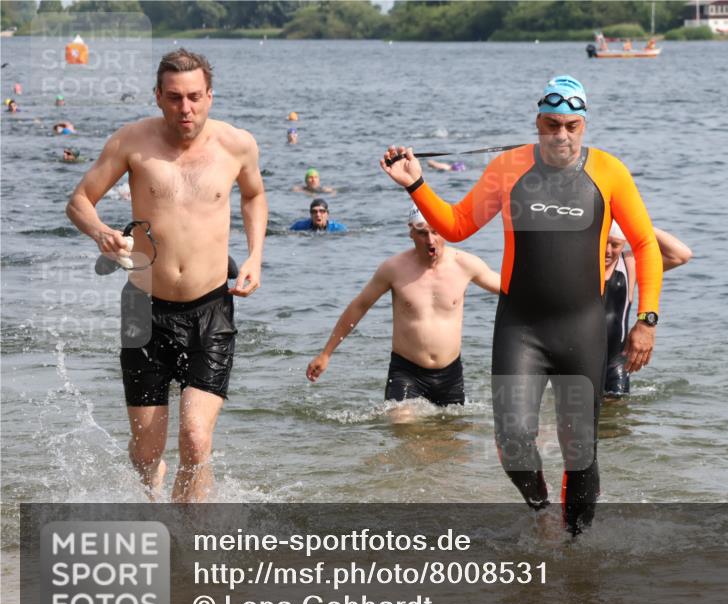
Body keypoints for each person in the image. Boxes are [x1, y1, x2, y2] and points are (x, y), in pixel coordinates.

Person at [381, 75, 662, 534]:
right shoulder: (509, 168)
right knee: (512, 440)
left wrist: (646, 319)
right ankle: (543, 512)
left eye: (572, 125)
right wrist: (416, 185)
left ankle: (578, 548)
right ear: (537, 123)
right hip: (521, 327)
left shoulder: (608, 172)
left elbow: (645, 245)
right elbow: (457, 225)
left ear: (584, 126)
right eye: (552, 124)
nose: (562, 135)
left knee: (580, 450)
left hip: (581, 328)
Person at [65, 48, 267, 503]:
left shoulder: (237, 145)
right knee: (146, 452)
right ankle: (154, 515)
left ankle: (186, 533)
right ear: (158, 96)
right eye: (174, 97)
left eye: (195, 96)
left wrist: (255, 256)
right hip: (142, 308)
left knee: (195, 438)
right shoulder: (131, 142)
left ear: (210, 96)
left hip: (210, 307)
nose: (186, 108)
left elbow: (254, 196)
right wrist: (101, 233)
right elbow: (79, 201)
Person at [306, 205, 500, 420]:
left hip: (450, 374)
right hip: (407, 372)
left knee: (451, 442)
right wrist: (326, 353)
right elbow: (360, 306)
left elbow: (509, 289)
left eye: (436, 231)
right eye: (422, 233)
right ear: (410, 232)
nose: (430, 240)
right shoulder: (394, 268)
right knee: (403, 424)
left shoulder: (466, 264)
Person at [603, 224, 692, 398]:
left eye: (615, 245)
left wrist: (632, 221)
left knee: (616, 419)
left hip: (614, 364)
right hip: (577, 356)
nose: (608, 251)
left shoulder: (629, 265)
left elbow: (681, 255)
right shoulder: (579, 264)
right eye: (604, 243)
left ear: (624, 244)